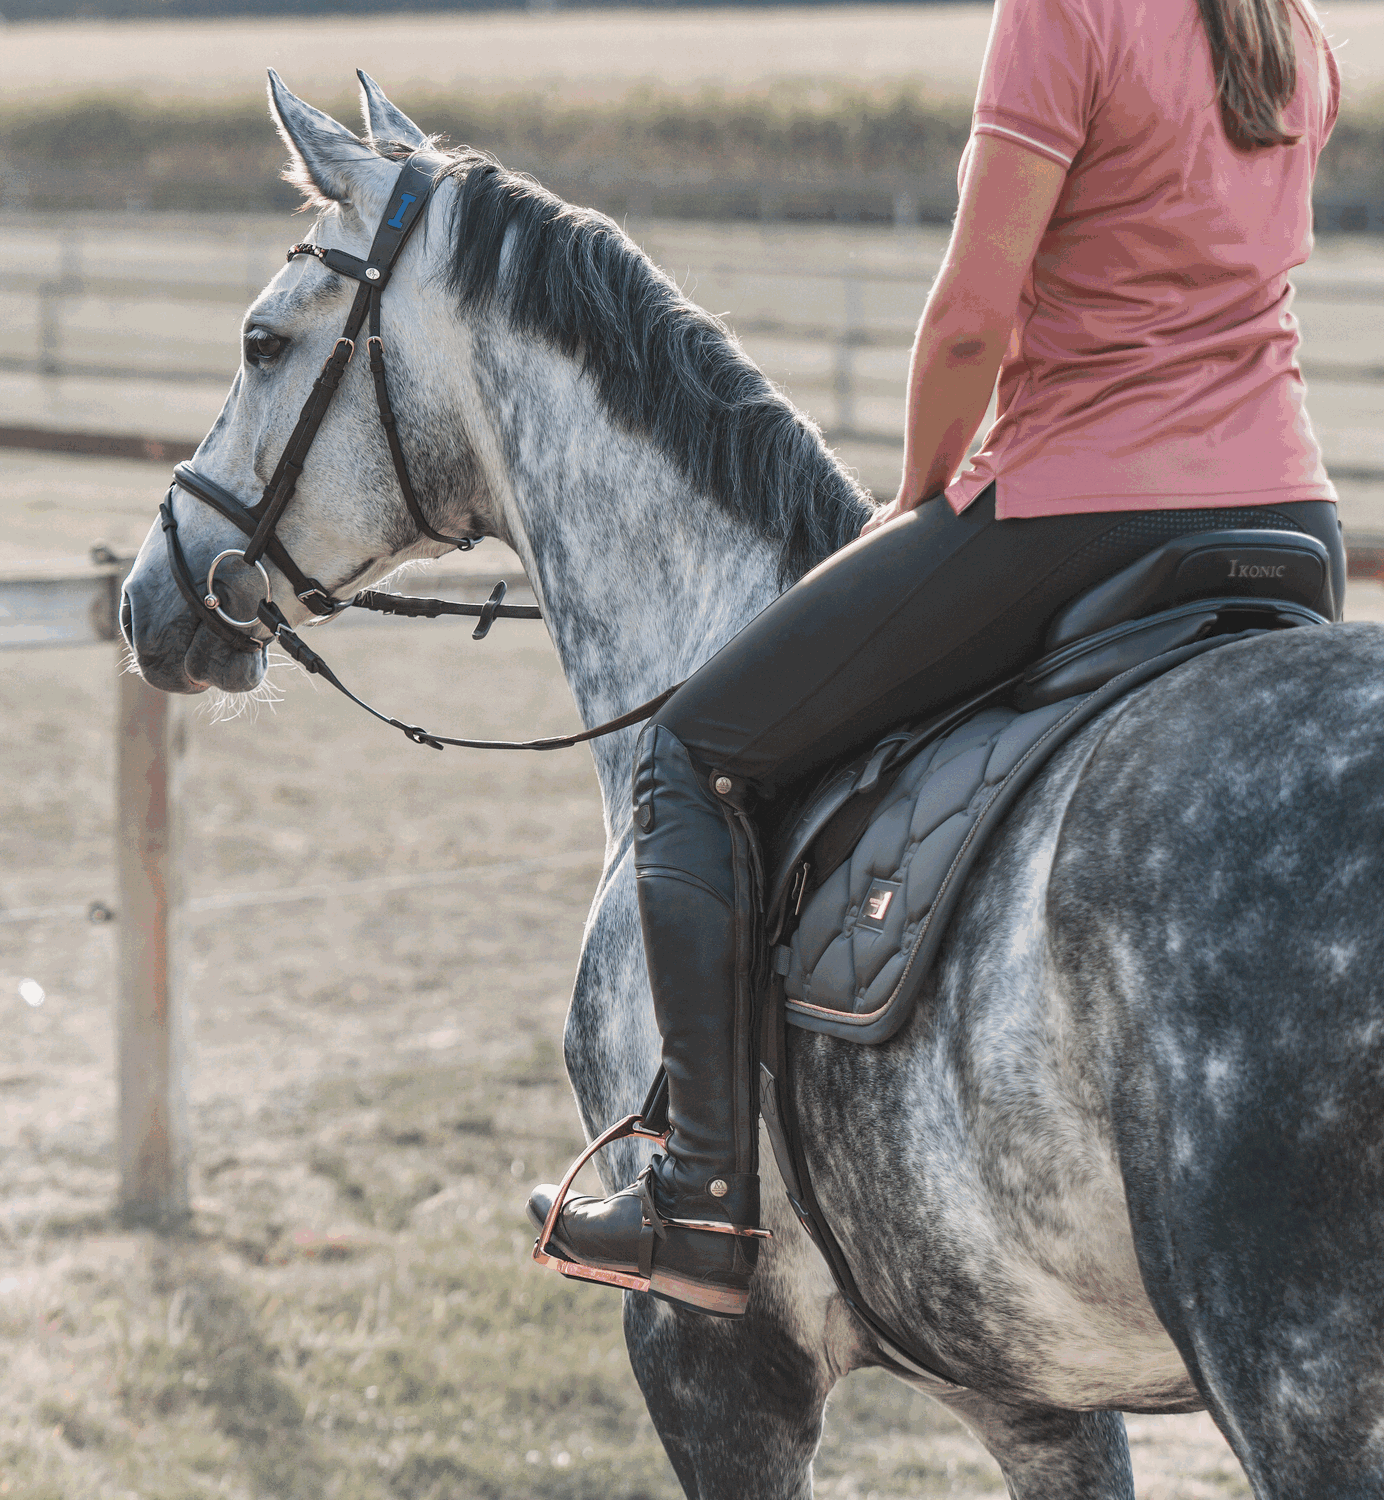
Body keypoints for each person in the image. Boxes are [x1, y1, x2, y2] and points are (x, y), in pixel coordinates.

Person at [530, 0, 1343, 1317]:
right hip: (1288, 516)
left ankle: (701, 1203)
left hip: (1081, 503)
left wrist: (913, 503)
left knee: (690, 755)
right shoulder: (1290, 31)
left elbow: (974, 317)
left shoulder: (1063, 11)